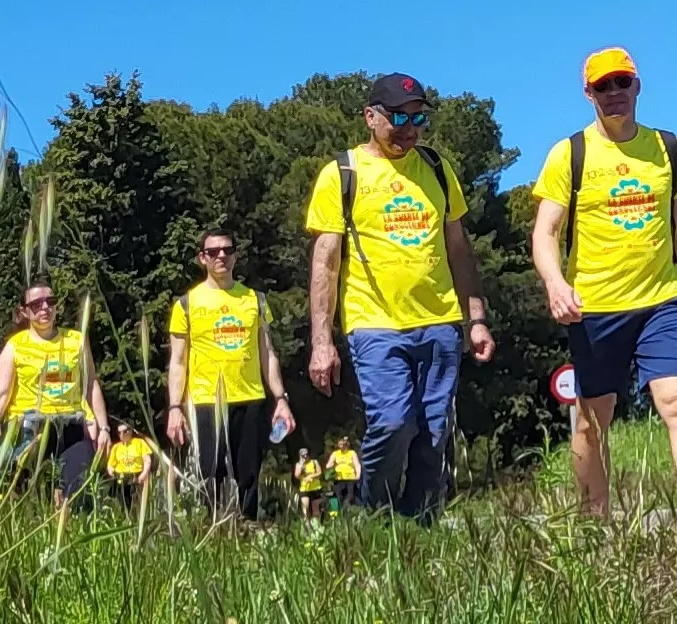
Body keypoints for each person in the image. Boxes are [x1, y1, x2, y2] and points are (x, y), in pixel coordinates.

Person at [533, 47, 677, 538]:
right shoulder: (569, 154)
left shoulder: (669, 150)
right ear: (588, 93)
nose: (615, 95)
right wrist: (555, 284)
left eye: (622, 84)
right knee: (594, 422)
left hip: (661, 301)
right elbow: (545, 232)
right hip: (596, 308)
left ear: (637, 87)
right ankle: (594, 525)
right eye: (604, 87)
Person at [304, 72, 497, 521]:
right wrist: (321, 342)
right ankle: (375, 513)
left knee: (434, 434)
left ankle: (418, 530)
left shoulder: (435, 168)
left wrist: (476, 318)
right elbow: (325, 263)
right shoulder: (342, 174)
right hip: (374, 324)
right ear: (371, 117)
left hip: (439, 321)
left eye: (419, 119)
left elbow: (458, 249)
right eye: (398, 118)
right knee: (393, 422)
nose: (410, 130)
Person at [165, 231, 294, 523]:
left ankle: (246, 528)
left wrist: (281, 399)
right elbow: (178, 361)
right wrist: (175, 407)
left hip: (249, 396)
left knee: (248, 472)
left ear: (235, 255)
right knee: (210, 472)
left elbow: (268, 353)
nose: (221, 256)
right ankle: (211, 530)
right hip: (205, 400)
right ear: (202, 259)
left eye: (227, 250)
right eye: (213, 252)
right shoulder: (186, 304)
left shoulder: (254, 300)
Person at [0, 284, 109, 501]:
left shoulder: (76, 340)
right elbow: (0, 394)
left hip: (70, 427)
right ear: (24, 311)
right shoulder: (15, 346)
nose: (45, 308)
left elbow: (90, 384)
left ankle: (72, 529)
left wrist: (104, 427)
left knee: (80, 494)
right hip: (27, 430)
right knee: (20, 500)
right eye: (36, 304)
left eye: (50, 301)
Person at [106, 422, 157, 505]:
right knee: (120, 501)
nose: (122, 435)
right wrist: (111, 472)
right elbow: (111, 464)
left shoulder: (139, 443)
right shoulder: (116, 447)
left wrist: (144, 474)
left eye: (125, 431)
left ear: (130, 431)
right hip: (121, 477)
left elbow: (147, 460)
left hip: (136, 476)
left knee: (136, 501)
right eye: (119, 433)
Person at [325, 435, 360, 517]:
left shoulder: (352, 453)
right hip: (339, 478)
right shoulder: (335, 454)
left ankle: (346, 512)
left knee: (350, 496)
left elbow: (357, 465)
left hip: (350, 478)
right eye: (339, 444)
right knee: (336, 496)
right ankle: (334, 514)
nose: (341, 445)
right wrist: (332, 464)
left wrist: (357, 475)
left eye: (343, 444)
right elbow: (328, 466)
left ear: (347, 444)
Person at [292, 444, 326, 521]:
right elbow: (296, 475)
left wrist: (311, 476)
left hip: (315, 488)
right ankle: (306, 527)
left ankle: (316, 525)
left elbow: (319, 473)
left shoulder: (314, 462)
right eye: (303, 456)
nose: (305, 457)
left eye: (306, 455)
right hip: (305, 489)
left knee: (316, 509)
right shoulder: (298, 464)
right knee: (305, 510)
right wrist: (301, 466)